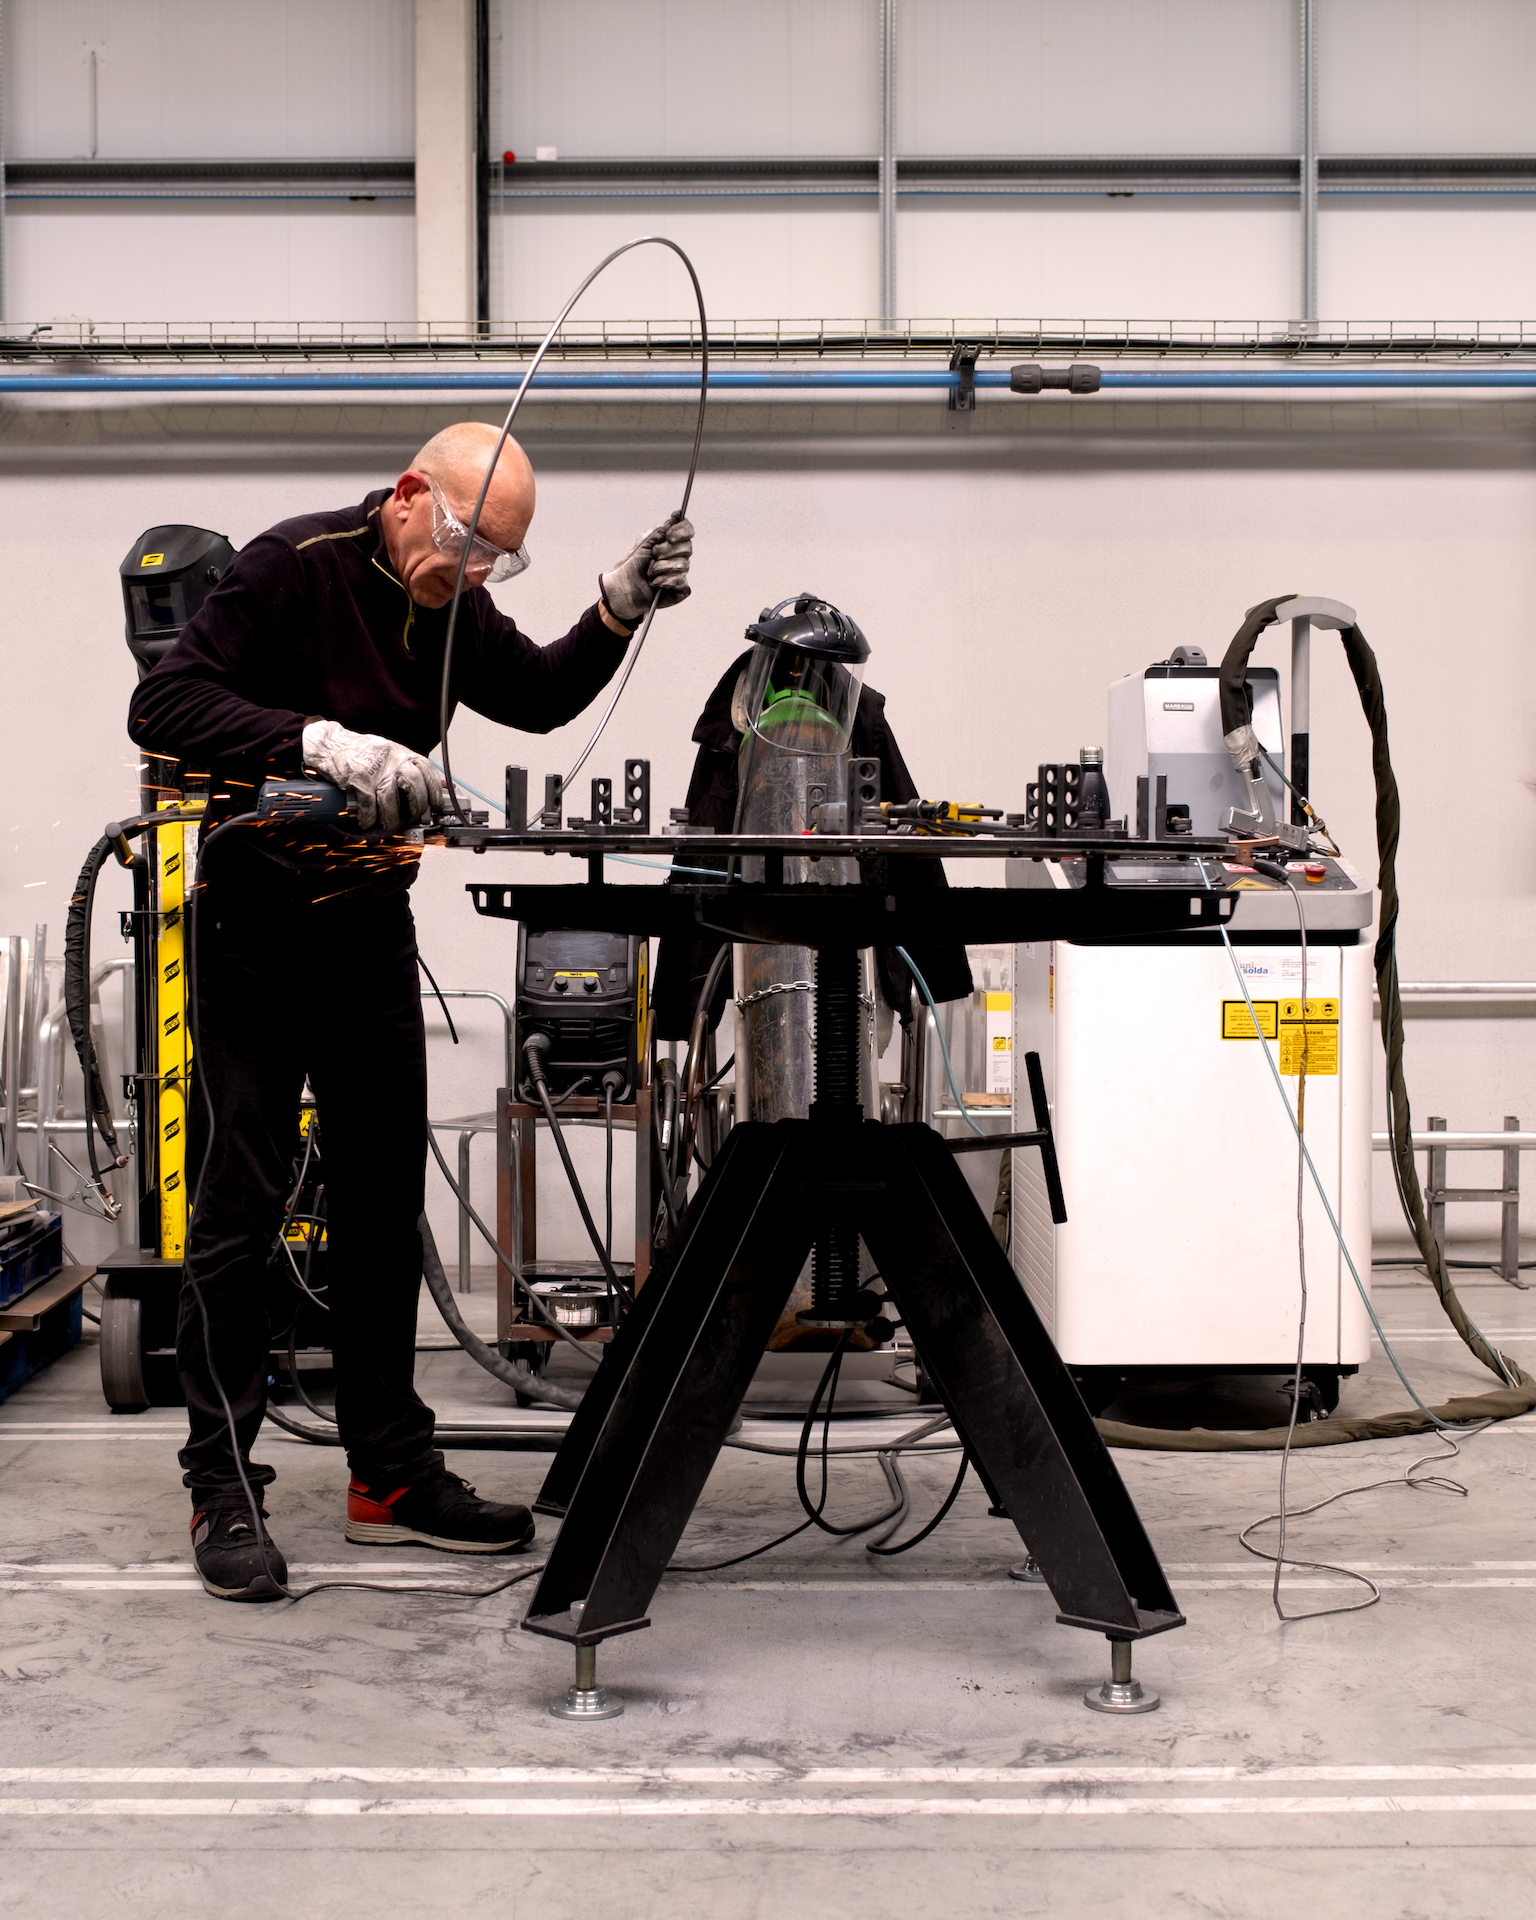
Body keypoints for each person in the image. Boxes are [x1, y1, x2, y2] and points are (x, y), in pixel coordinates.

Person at [127, 421, 694, 1601]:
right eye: (465, 543)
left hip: (367, 931)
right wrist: (315, 742)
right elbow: (167, 704)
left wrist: (612, 610)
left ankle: (388, 1473)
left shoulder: (451, 608)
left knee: (385, 1200)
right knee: (242, 1202)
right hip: (254, 932)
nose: (475, 573)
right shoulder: (295, 564)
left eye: (500, 560)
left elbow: (535, 698)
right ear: (405, 497)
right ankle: (220, 1481)